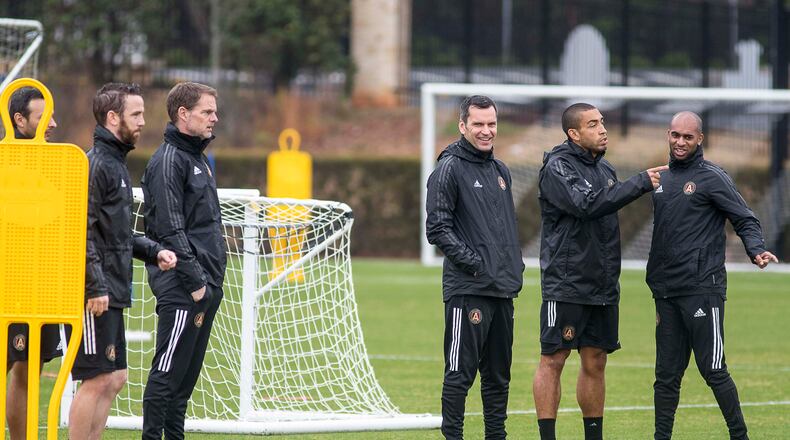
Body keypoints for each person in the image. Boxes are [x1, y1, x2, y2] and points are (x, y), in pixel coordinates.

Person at [534, 103, 667, 440]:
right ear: (573, 134)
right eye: (592, 124)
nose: (602, 129)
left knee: (595, 361)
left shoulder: (606, 169)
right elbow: (587, 205)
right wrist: (640, 182)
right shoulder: (558, 167)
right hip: (567, 283)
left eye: (602, 122)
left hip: (603, 285)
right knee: (554, 359)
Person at [647, 112, 778, 440]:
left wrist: (756, 249)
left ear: (700, 139)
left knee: (713, 368)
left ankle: (740, 436)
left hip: (702, 288)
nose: (680, 142)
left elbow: (745, 219)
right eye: (675, 135)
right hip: (666, 291)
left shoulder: (711, 177)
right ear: (668, 134)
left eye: (687, 137)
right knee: (666, 376)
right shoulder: (660, 179)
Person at [69, 82, 177, 440]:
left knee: (114, 378)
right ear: (113, 117)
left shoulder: (115, 163)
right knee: (97, 378)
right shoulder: (96, 164)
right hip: (94, 294)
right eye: (136, 114)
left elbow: (116, 234)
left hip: (112, 288)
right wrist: (95, 286)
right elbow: (80, 232)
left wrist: (152, 249)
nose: (144, 121)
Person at [426, 95, 525, 439]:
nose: (486, 131)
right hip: (468, 290)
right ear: (463, 126)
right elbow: (437, 228)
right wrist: (476, 265)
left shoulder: (500, 171)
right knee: (459, 373)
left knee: (498, 377)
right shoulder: (448, 168)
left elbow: (504, 228)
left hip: (502, 290)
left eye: (491, 124)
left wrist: (514, 267)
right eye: (479, 124)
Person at [140, 82, 224, 439]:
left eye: (214, 111)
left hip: (205, 286)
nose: (214, 118)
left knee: (185, 382)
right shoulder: (168, 160)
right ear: (183, 115)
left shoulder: (198, 158)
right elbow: (171, 229)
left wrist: (209, 285)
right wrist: (196, 285)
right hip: (182, 287)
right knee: (167, 371)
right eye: (207, 111)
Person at [5, 86, 59, 440]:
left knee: (29, 369)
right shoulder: (6, 160)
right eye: (43, 118)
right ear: (19, 120)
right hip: (10, 282)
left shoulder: (57, 162)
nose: (53, 124)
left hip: (44, 282)